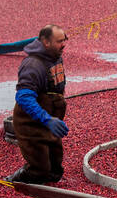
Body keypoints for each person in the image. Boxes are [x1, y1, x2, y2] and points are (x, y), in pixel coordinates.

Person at [8, 25, 70, 184]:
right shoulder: (33, 65)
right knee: (40, 170)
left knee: (55, 171)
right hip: (31, 123)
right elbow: (23, 97)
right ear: (46, 42)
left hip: (50, 121)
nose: (63, 44)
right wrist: (46, 119)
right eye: (59, 41)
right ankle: (13, 181)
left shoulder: (55, 57)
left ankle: (46, 181)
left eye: (64, 40)